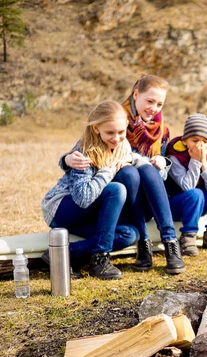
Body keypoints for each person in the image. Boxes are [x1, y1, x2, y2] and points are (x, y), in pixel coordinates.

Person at [63, 75, 185, 274]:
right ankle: (143, 242)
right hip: (115, 195)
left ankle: (170, 242)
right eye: (150, 101)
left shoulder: (162, 132)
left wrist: (163, 163)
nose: (154, 108)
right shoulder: (115, 121)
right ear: (136, 94)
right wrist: (66, 159)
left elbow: (160, 178)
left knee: (145, 168)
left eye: (159, 104)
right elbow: (84, 148)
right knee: (130, 172)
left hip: (146, 198)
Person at [41, 100, 144, 280]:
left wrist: (133, 160)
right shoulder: (84, 152)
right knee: (116, 190)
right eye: (110, 133)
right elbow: (83, 198)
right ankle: (100, 259)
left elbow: (132, 156)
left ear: (126, 125)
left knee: (129, 234)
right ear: (96, 129)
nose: (117, 138)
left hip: (87, 216)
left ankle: (66, 253)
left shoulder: (122, 145)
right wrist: (109, 170)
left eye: (121, 132)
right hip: (61, 209)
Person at [165, 113, 207, 256]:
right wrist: (195, 161)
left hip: (197, 205)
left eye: (204, 142)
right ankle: (188, 236)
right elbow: (187, 187)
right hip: (176, 205)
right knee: (195, 193)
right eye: (194, 140)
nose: (200, 145)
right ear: (184, 140)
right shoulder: (175, 156)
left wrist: (204, 162)